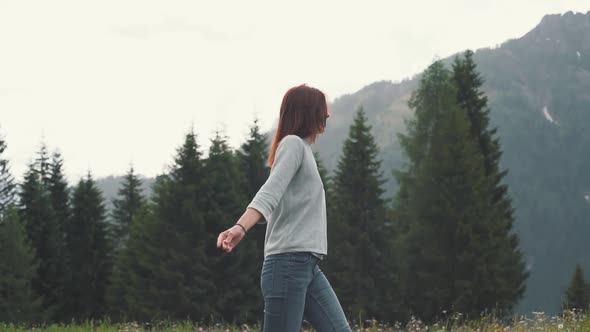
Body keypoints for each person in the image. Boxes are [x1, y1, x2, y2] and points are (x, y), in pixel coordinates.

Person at [216, 84, 352, 331]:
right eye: (322, 109)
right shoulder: (293, 145)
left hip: (307, 265)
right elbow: (270, 192)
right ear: (308, 112)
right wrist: (240, 227)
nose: (328, 115)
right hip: (287, 264)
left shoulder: (305, 151)